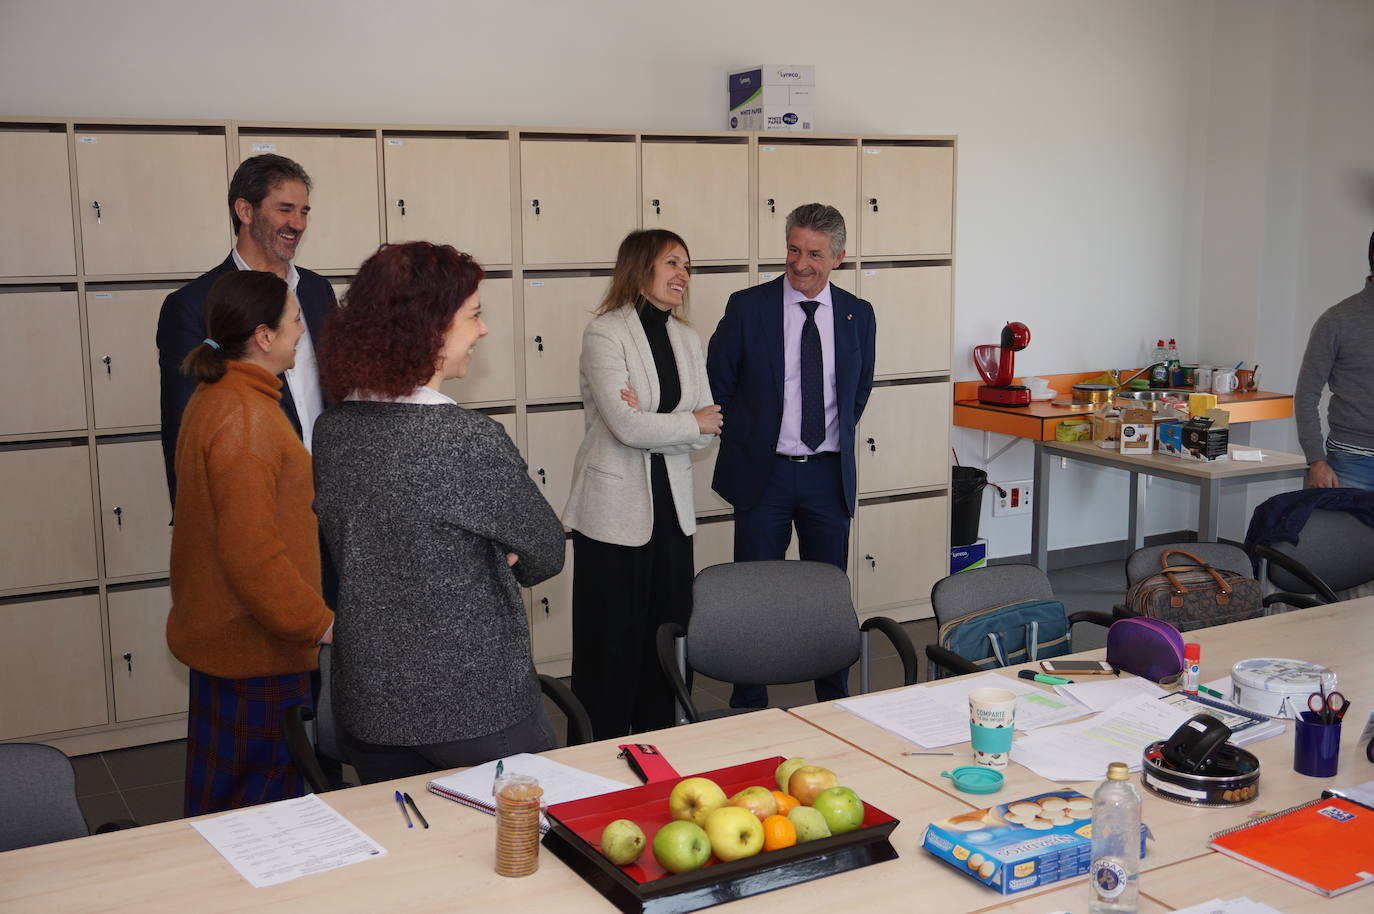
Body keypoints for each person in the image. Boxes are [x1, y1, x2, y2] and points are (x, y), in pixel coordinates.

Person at [312, 242, 566, 783]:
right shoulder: (464, 439)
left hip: (370, 704)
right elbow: (546, 550)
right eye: (473, 315)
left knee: (413, 852)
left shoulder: (332, 430)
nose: (482, 331)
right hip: (474, 706)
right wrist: (505, 555)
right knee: (528, 845)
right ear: (429, 330)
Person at [166, 270, 334, 816]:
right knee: (260, 817)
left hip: (235, 642)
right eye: (293, 322)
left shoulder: (221, 396)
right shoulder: (247, 419)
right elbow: (252, 556)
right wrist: (320, 623)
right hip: (257, 651)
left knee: (225, 809)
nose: (301, 333)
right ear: (263, 336)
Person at [706, 202, 876, 709]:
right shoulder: (747, 306)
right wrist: (752, 440)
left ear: (839, 258)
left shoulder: (857, 314)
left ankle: (833, 698)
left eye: (815, 254)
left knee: (827, 597)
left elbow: (857, 393)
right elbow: (720, 382)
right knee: (754, 594)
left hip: (828, 476)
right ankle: (748, 701)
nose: (801, 264)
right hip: (765, 476)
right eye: (794, 250)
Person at [563, 230, 722, 738]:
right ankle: (594, 756)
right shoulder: (605, 334)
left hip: (672, 514)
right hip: (611, 514)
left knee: (667, 640)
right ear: (640, 268)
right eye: (671, 263)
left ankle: (663, 747)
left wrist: (669, 423)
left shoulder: (688, 338)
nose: (683, 275)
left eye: (688, 267)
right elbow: (625, 425)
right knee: (609, 647)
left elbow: (710, 426)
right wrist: (685, 422)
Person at [157, 153, 337, 504]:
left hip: (329, 502)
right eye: (284, 209)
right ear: (245, 211)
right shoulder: (194, 305)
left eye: (304, 212)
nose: (297, 224)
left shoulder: (317, 291)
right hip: (254, 504)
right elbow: (184, 429)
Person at [1295, 230, 1374, 491]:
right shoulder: (1337, 320)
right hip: (1351, 462)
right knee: (1347, 534)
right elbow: (1307, 394)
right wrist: (1316, 460)